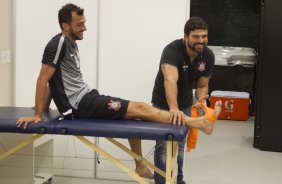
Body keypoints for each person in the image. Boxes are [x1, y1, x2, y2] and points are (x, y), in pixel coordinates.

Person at [16, 4, 222, 180]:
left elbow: (54, 80)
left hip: (86, 98)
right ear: (65, 26)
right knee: (140, 108)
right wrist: (37, 114)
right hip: (80, 105)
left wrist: (42, 110)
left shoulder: (70, 44)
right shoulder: (58, 43)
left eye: (84, 22)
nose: (85, 28)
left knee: (135, 114)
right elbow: (43, 78)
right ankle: (197, 123)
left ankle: (140, 166)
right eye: (79, 24)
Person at [151, 16, 215, 184]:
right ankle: (161, 181)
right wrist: (173, 108)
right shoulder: (172, 51)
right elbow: (170, 80)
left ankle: (178, 179)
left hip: (186, 103)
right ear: (186, 36)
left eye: (204, 36)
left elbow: (202, 84)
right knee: (163, 147)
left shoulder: (207, 55)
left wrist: (201, 98)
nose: (200, 41)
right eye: (196, 37)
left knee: (179, 144)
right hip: (164, 104)